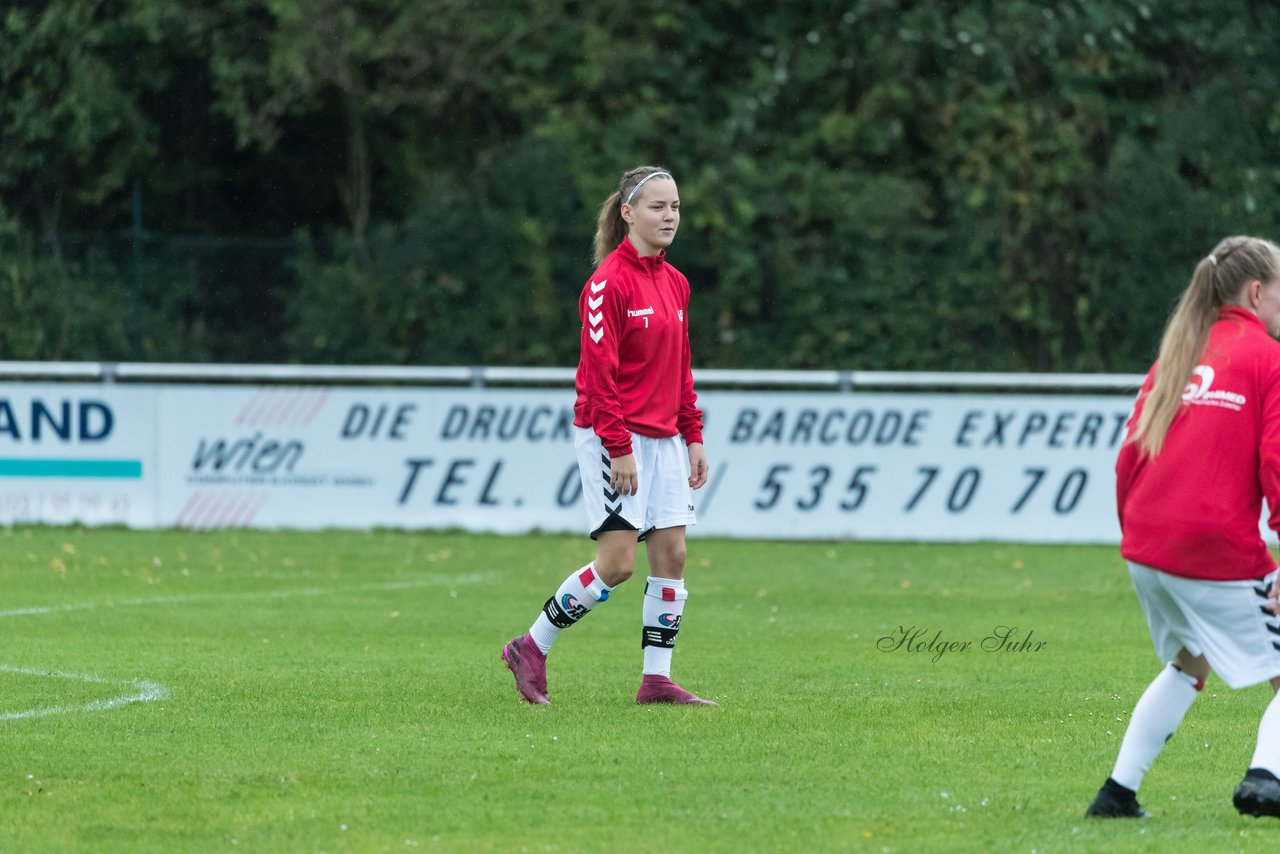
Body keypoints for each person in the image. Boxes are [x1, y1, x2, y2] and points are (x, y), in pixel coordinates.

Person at [501, 165, 715, 706]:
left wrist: (692, 435)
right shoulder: (606, 285)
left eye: (676, 208)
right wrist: (618, 449)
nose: (670, 217)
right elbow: (599, 378)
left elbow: (680, 368)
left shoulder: (677, 282)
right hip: (612, 435)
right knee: (618, 564)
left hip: (664, 437)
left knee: (672, 555)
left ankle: (656, 680)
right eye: (657, 207)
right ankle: (532, 645)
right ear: (627, 213)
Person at [1086, 235, 1280, 819]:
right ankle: (1266, 780)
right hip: (1209, 547)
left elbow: (1128, 458)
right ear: (1255, 291)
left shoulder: (1180, 351)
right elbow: (1277, 462)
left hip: (1146, 543)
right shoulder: (1268, 358)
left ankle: (1116, 797)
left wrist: (1141, 538)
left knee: (1189, 662)